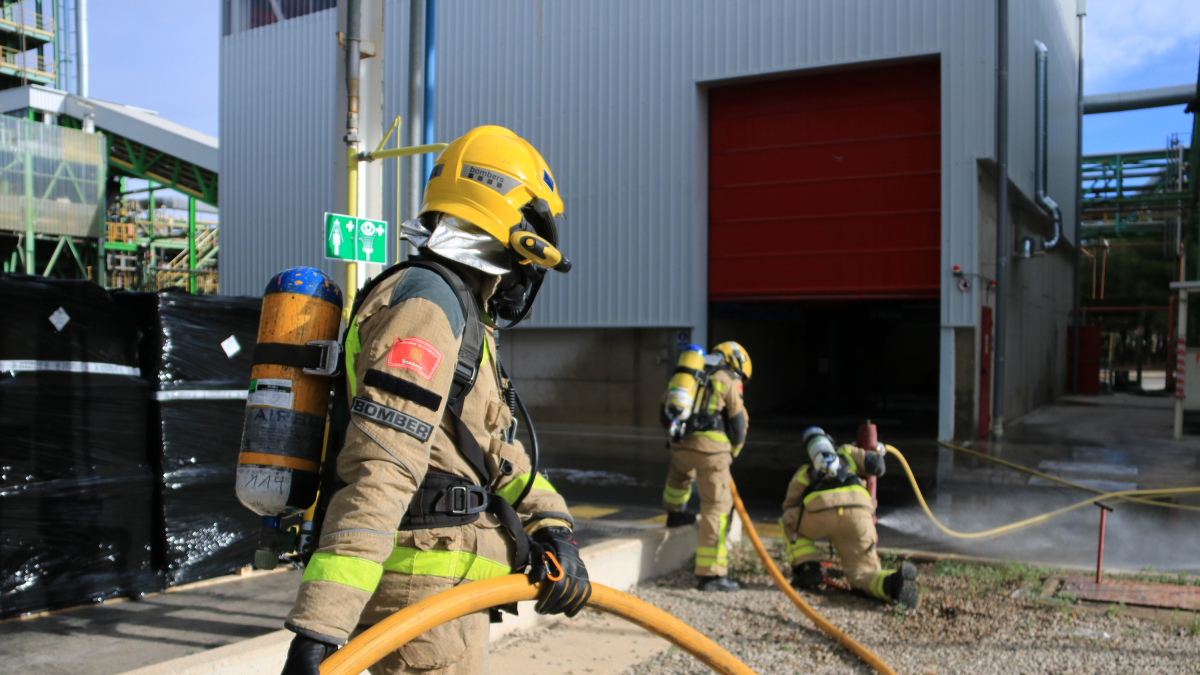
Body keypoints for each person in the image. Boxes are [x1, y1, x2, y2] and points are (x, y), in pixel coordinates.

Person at [281, 126, 590, 674]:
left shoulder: (464, 312)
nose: (530, 272)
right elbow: (383, 464)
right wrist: (319, 630)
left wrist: (553, 527)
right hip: (419, 593)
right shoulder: (428, 306)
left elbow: (493, 450)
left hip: (441, 590)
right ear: (510, 227)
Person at [781, 427, 918, 608]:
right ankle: (892, 584)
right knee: (862, 572)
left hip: (819, 512)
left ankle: (808, 569)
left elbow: (789, 506)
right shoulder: (846, 452)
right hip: (858, 512)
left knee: (789, 522)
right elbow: (878, 467)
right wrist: (868, 452)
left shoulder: (804, 471)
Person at [660, 341, 751, 592]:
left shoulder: (686, 374)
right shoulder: (726, 378)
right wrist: (734, 450)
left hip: (681, 445)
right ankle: (711, 575)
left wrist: (678, 439)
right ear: (734, 361)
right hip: (713, 452)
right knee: (716, 507)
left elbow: (664, 411)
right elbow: (737, 420)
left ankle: (675, 513)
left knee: (678, 478)